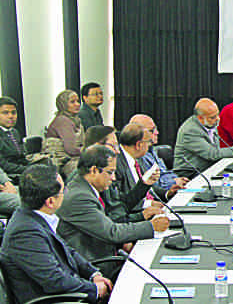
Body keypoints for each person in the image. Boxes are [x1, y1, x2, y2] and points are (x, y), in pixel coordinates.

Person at [0, 164, 112, 303]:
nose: (65, 193)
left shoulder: (37, 217)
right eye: (63, 190)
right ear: (50, 201)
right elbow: (55, 281)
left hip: (70, 291)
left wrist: (93, 274)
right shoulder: (24, 233)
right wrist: (94, 289)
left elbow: (67, 251)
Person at [57, 145, 169, 276]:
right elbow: (112, 232)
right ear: (94, 170)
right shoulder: (79, 197)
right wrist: (151, 226)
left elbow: (113, 218)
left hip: (108, 254)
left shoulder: (87, 187)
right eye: (110, 172)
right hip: (95, 267)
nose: (113, 178)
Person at [83, 125, 163, 225]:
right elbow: (111, 223)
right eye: (113, 146)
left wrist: (144, 185)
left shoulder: (104, 173)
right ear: (96, 146)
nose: (118, 151)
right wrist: (143, 218)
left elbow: (119, 207)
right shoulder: (87, 184)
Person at [173, 98, 233, 178]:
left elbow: (216, 152)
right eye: (213, 117)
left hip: (207, 168)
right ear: (200, 118)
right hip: (189, 174)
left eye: (217, 114)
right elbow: (212, 154)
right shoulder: (191, 130)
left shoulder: (209, 124)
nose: (218, 119)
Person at [115, 123, 180, 208]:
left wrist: (167, 193)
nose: (150, 145)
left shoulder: (139, 158)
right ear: (139, 145)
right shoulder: (116, 165)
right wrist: (148, 204)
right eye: (149, 142)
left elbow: (148, 189)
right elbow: (120, 202)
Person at [130, 114, 189, 190]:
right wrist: (174, 181)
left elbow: (164, 173)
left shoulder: (152, 150)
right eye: (152, 130)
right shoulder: (139, 155)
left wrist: (178, 179)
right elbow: (154, 184)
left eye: (156, 129)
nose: (157, 132)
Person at [45, 89, 85, 177]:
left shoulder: (75, 119)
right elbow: (71, 149)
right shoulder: (62, 120)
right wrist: (88, 151)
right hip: (62, 162)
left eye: (78, 101)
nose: (77, 104)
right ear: (63, 104)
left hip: (72, 157)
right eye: (72, 102)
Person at [0, 96, 30, 181]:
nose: (11, 116)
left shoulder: (14, 132)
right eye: (5, 113)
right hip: (7, 176)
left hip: (20, 170)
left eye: (13, 113)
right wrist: (28, 169)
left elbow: (22, 156)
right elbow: (3, 165)